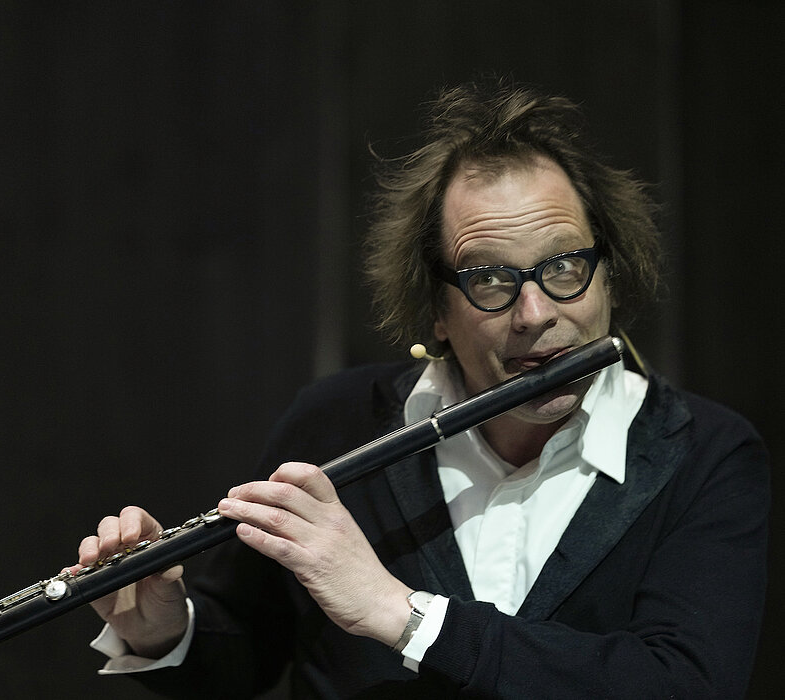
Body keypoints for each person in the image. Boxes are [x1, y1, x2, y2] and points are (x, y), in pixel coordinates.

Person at [68, 80, 769, 698]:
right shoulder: (336, 423)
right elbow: (245, 654)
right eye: (489, 279)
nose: (535, 314)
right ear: (436, 307)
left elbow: (684, 684)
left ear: (609, 275)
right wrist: (165, 630)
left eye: (564, 267)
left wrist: (402, 615)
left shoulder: (705, 454)